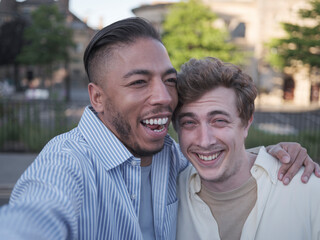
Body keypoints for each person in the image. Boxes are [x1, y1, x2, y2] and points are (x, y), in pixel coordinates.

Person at [0, 18, 317, 240]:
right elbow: (33, 219)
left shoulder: (170, 154)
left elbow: (212, 152)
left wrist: (269, 155)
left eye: (168, 80)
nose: (166, 97)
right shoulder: (66, 166)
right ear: (97, 97)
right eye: (139, 82)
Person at [174, 57, 320, 240]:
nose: (204, 141)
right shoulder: (169, 194)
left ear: (246, 123)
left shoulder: (309, 193)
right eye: (189, 122)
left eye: (219, 121)